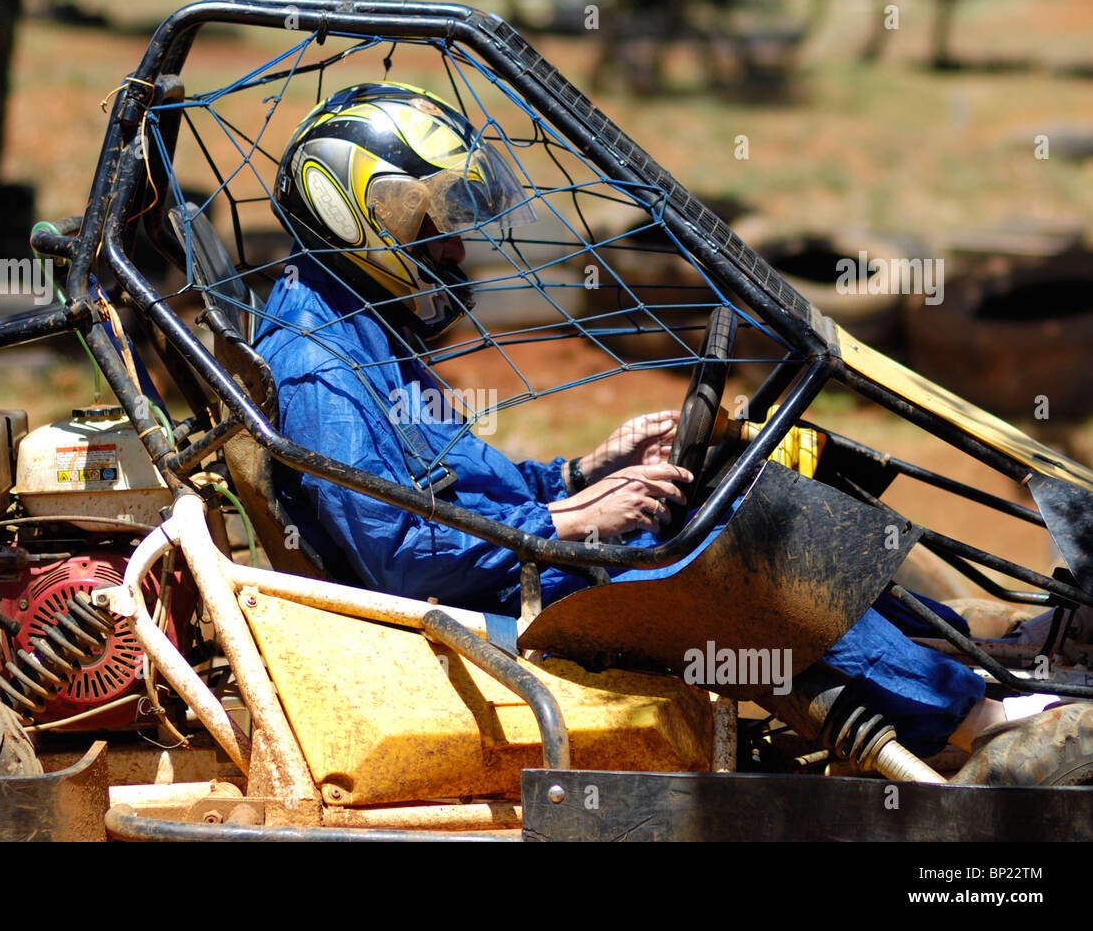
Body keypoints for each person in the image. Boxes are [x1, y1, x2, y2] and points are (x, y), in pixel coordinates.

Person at [255, 82, 1059, 762]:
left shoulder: (352, 319)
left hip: (508, 561)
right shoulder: (318, 362)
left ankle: (965, 651)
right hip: (482, 605)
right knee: (724, 545)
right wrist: (569, 520)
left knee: (751, 491)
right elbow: (399, 556)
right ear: (363, 217)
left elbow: (457, 484)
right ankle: (966, 725)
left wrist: (581, 472)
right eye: (432, 223)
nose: (456, 251)